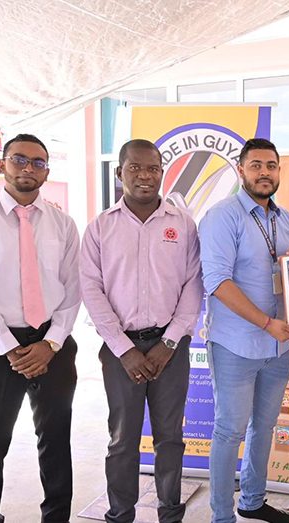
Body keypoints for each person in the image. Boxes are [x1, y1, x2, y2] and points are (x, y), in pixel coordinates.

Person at [0, 133, 80, 523]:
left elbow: (74, 291)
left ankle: (56, 517)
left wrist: (51, 343)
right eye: (19, 160)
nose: (28, 168)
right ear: (1, 165)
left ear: (47, 172)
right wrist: (9, 348)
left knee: (55, 441)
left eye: (38, 162)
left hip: (53, 346)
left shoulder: (63, 224)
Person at [80, 139, 202, 523]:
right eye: (135, 168)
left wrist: (169, 341)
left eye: (153, 168)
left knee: (170, 439)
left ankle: (170, 513)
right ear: (120, 173)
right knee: (122, 441)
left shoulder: (182, 224)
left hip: (171, 347)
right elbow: (90, 289)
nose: (145, 176)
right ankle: (120, 515)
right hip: (120, 351)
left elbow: (193, 284)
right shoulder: (101, 227)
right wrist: (123, 349)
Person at [199, 138, 289, 523]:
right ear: (241, 170)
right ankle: (221, 516)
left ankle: (253, 501)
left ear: (278, 170)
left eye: (271, 165)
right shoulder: (223, 216)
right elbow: (217, 281)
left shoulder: (284, 219)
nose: (264, 172)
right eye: (255, 165)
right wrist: (265, 323)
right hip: (236, 346)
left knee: (265, 426)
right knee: (229, 431)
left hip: (278, 349)